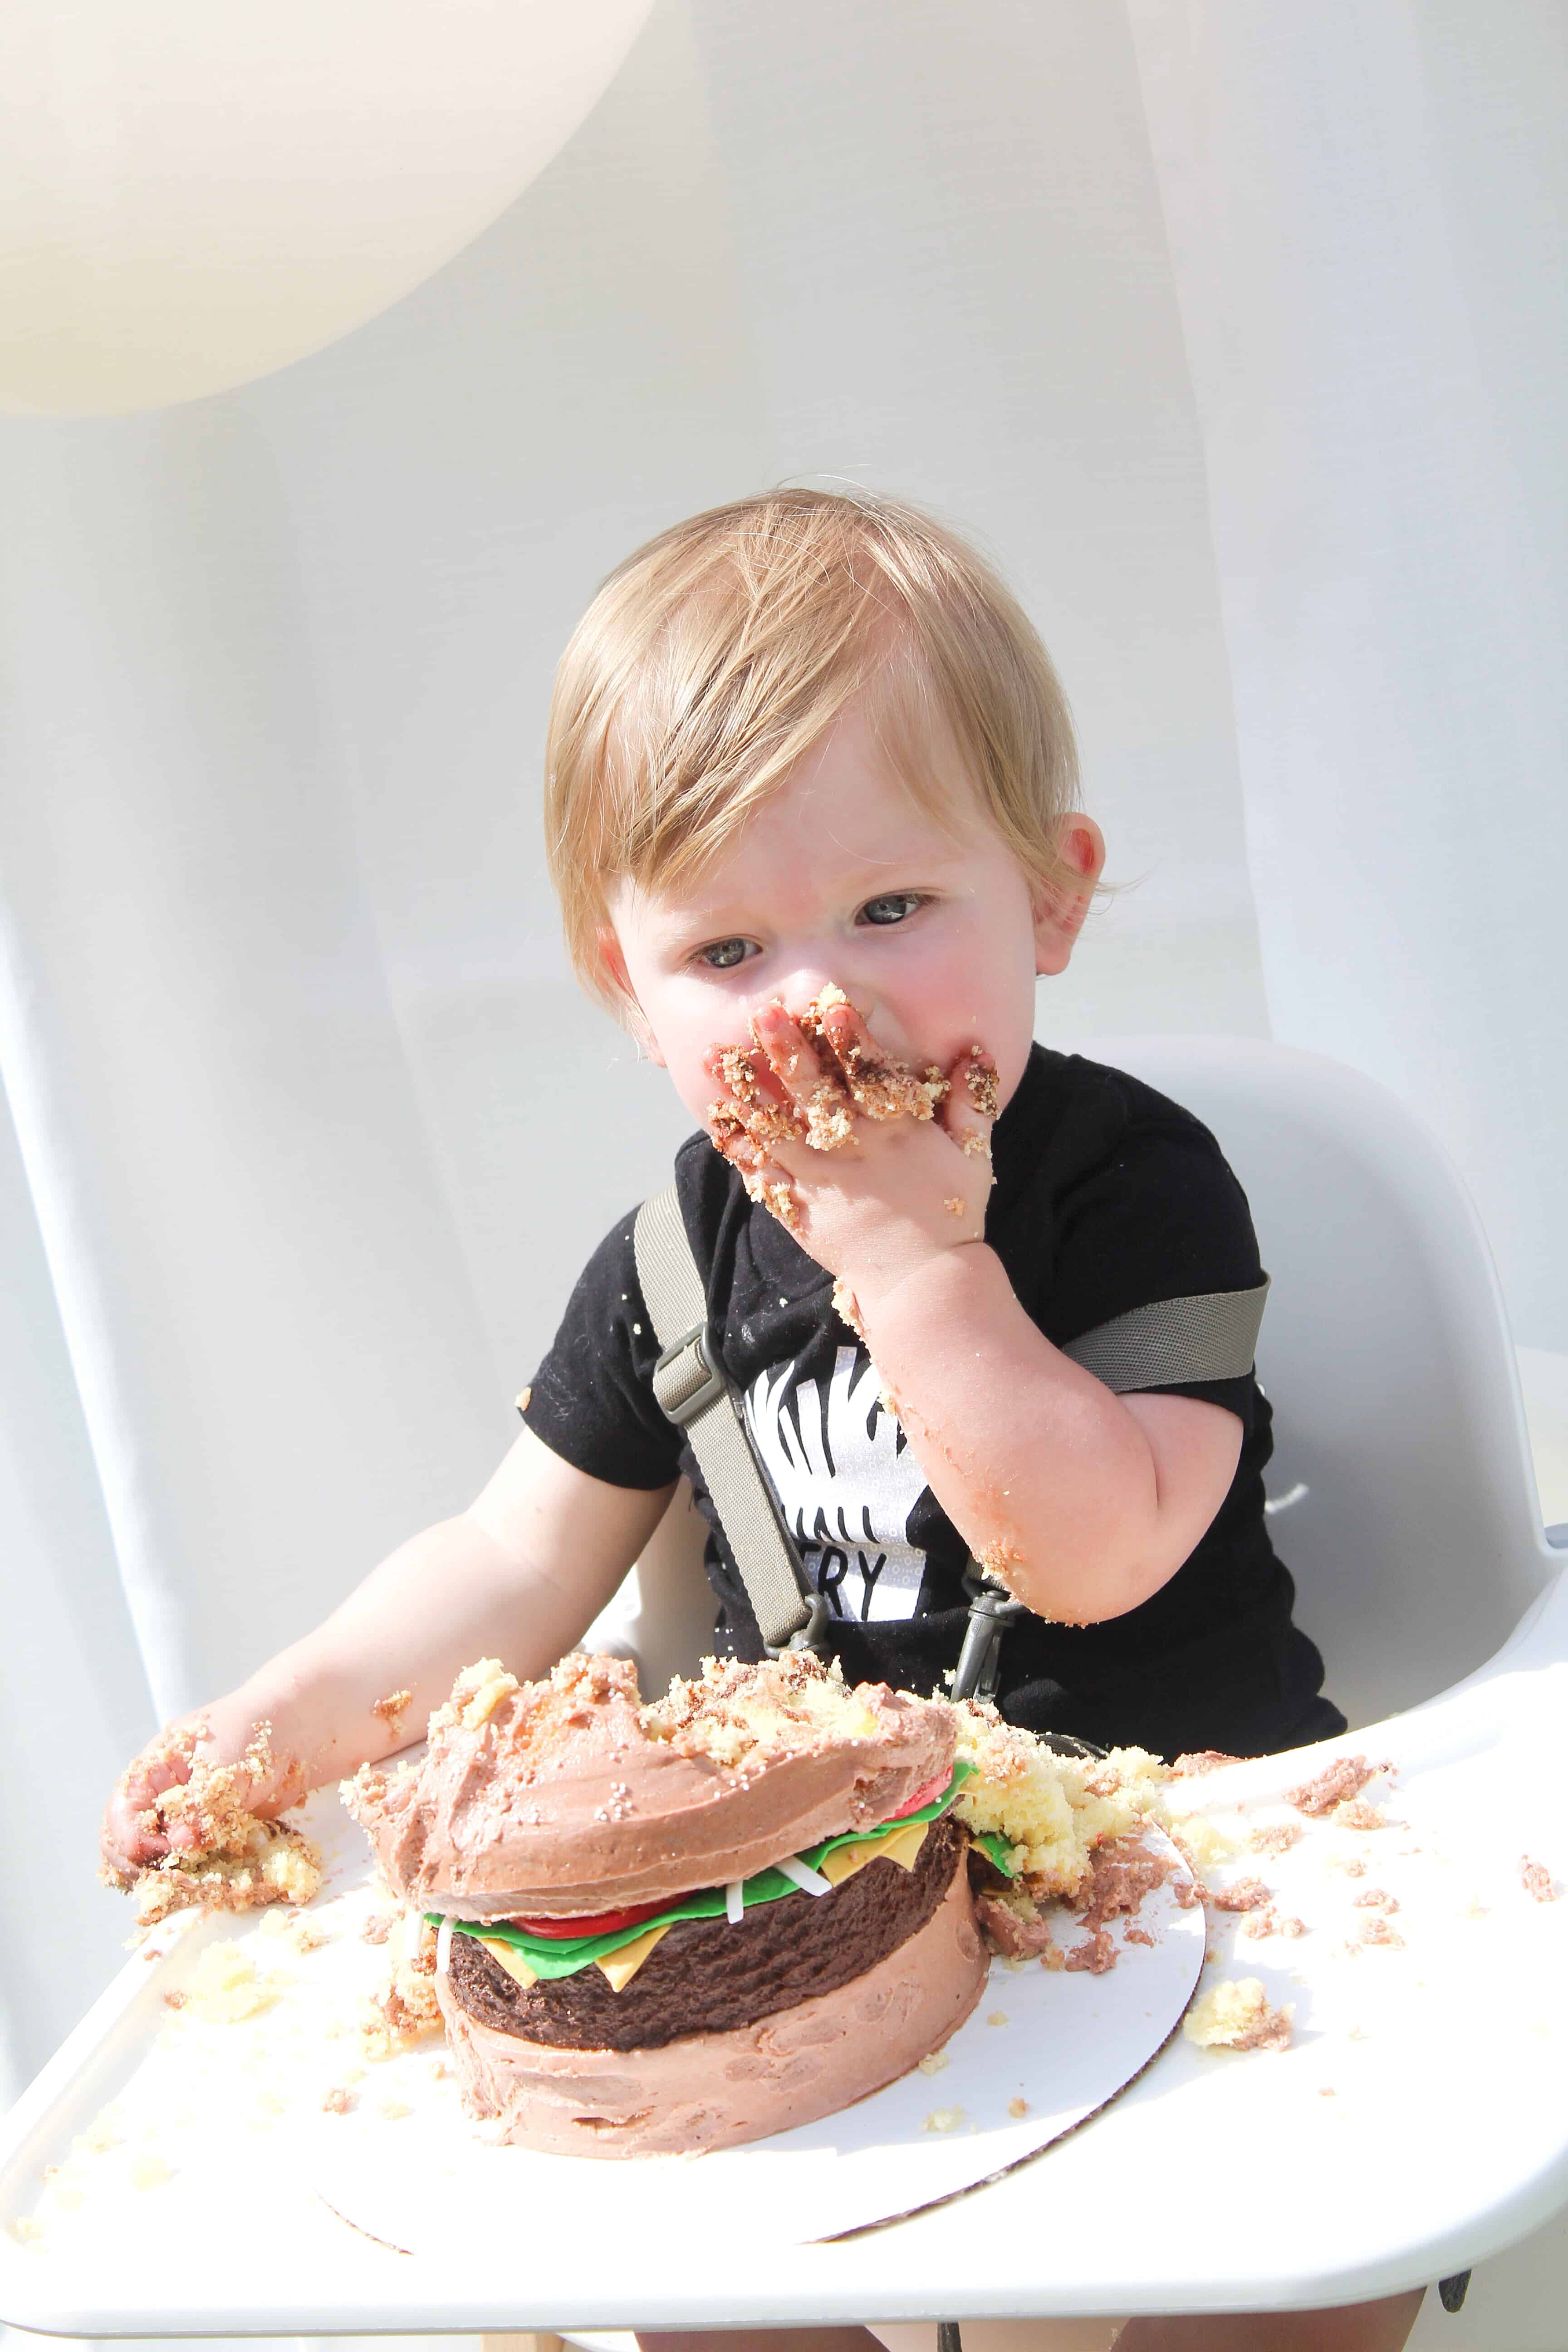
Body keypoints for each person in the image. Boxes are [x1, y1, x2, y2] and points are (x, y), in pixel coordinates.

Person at [100, 490, 1423, 2352]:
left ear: (1050, 892)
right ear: (623, 989)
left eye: (893, 908)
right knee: (667, 2266)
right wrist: (287, 1721)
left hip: (1186, 1842)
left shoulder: (1131, 1182)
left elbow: (1103, 1559)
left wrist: (920, 1260)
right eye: (726, 954)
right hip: (806, 1897)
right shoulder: (670, 1254)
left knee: (1308, 2254)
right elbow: (509, 1560)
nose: (819, 993)